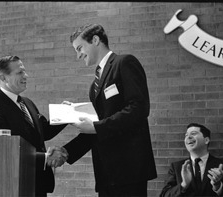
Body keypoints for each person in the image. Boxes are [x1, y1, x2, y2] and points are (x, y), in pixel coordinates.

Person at [62, 24, 157, 196]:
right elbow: (98, 128)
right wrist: (66, 151)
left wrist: (96, 127)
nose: (78, 55)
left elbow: (139, 108)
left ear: (95, 40)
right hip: (106, 172)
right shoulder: (94, 87)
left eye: (79, 48)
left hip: (129, 169)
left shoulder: (124, 63)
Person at [0, 55, 68, 197]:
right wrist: (46, 158)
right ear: (3, 78)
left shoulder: (27, 103)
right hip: (16, 184)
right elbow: (5, 152)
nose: (26, 75)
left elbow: (43, 132)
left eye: (24, 71)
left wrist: (66, 115)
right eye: (20, 72)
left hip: (38, 184)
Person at [160, 123, 223, 197]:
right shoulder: (176, 167)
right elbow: (164, 195)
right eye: (186, 135)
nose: (188, 137)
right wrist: (183, 185)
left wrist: (217, 186)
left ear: (206, 140)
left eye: (193, 133)